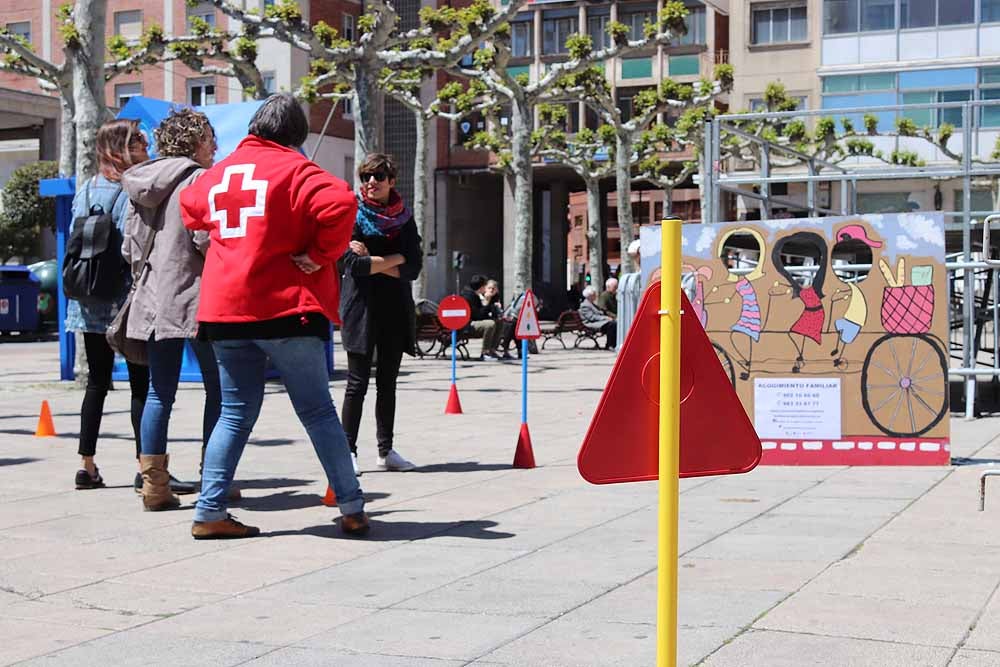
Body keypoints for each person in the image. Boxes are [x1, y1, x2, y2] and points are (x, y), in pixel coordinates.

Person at [180, 93, 367, 539]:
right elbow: (341, 203)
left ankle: (209, 512)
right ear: (295, 135)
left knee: (232, 413)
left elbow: (191, 207)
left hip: (225, 309)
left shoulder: (219, 173)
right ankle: (352, 507)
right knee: (319, 411)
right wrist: (319, 254)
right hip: (287, 307)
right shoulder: (297, 170)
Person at [120, 108, 221, 511]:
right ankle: (215, 476)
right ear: (196, 141)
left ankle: (154, 487)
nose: (215, 147)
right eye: (210, 139)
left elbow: (129, 247)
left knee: (160, 394)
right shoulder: (200, 179)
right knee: (220, 390)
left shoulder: (140, 182)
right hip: (197, 297)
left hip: (152, 298)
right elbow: (204, 241)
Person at [66, 119, 151, 490]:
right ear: (121, 149)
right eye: (138, 143)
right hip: (123, 302)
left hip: (85, 301)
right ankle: (145, 466)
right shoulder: (130, 190)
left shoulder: (84, 189)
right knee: (139, 385)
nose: (144, 148)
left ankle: (87, 465)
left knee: (96, 383)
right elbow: (132, 248)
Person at [339, 152, 423, 474]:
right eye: (365, 177)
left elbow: (414, 267)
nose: (370, 183)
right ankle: (347, 451)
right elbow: (353, 266)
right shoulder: (351, 214)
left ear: (391, 181)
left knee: (388, 383)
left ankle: (386, 451)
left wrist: (376, 259)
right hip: (360, 308)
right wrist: (396, 257)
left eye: (377, 177)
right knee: (356, 384)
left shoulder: (404, 217)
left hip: (395, 309)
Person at [461, 274, 503, 360]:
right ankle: (485, 352)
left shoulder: (475, 294)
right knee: (489, 324)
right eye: (485, 286)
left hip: (472, 321)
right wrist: (487, 302)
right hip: (467, 325)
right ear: (481, 287)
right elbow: (478, 315)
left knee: (499, 322)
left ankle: (492, 350)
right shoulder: (469, 296)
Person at [579, 285, 617, 350]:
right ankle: (610, 344)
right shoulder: (585, 305)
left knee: (614, 323)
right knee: (612, 324)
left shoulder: (592, 304)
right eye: (594, 294)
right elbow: (591, 317)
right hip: (590, 323)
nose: (596, 296)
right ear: (589, 296)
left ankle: (612, 344)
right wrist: (605, 318)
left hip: (597, 322)